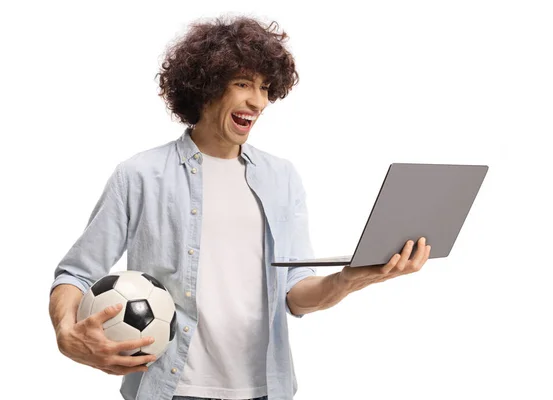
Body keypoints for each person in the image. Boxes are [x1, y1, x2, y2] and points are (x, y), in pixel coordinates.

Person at [48, 16, 431, 400]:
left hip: (265, 389)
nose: (258, 101)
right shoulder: (140, 175)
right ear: (206, 86)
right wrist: (67, 334)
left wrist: (350, 279)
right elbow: (77, 273)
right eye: (243, 84)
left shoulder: (283, 178)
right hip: (170, 387)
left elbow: (296, 293)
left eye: (265, 88)